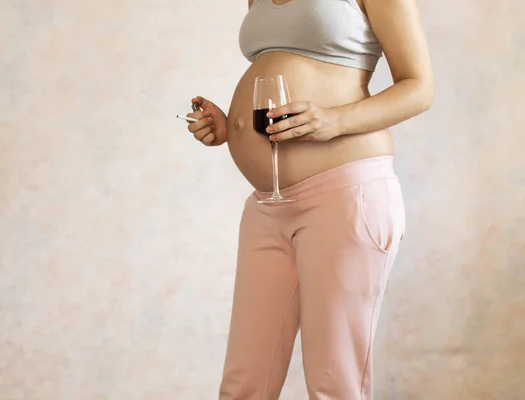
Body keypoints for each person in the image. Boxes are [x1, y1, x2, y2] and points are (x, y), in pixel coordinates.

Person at [185, 0, 433, 398]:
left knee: (334, 385)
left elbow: (419, 88)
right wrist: (231, 125)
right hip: (268, 204)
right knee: (243, 385)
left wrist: (335, 120)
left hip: (344, 194)